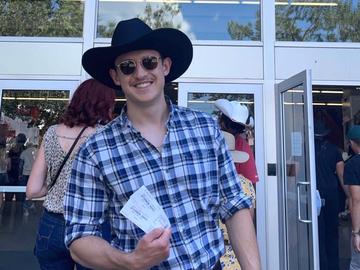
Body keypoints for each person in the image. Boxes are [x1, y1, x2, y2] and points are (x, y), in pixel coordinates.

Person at [64, 18, 261, 270]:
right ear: (115, 76)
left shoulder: (205, 129)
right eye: (127, 67)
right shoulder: (95, 151)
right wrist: (130, 261)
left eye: (149, 62)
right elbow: (79, 237)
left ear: (165, 66)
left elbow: (234, 206)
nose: (140, 73)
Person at [26, 79, 116, 270]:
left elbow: (32, 191)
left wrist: (54, 187)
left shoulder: (51, 133)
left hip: (51, 225)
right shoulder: (105, 135)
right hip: (92, 227)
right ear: (104, 104)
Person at [215, 99, 258, 218]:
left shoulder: (242, 145)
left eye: (238, 128)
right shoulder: (207, 139)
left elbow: (248, 185)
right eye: (231, 125)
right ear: (221, 121)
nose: (233, 131)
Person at [314, 120, 344, 270]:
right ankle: (333, 266)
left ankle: (318, 264)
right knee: (332, 232)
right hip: (332, 194)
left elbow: (296, 171)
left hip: (314, 195)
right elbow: (341, 175)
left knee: (317, 232)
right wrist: (349, 196)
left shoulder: (307, 150)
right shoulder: (335, 150)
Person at [344, 125, 360, 270]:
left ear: (353, 143)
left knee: (356, 264)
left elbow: (356, 200)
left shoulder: (353, 164)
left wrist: (356, 233)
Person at [5, 133, 27, 202]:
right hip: (22, 176)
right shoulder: (26, 151)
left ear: (17, 140)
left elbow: (9, 166)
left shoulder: (11, 151)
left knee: (8, 200)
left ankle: (7, 212)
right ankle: (19, 212)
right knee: (20, 201)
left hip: (11, 176)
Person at [19, 142, 38, 215]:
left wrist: (20, 174)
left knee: (25, 191)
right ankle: (33, 204)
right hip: (35, 174)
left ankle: (25, 208)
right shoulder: (37, 151)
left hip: (25, 174)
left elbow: (21, 165)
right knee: (34, 190)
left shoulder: (24, 152)